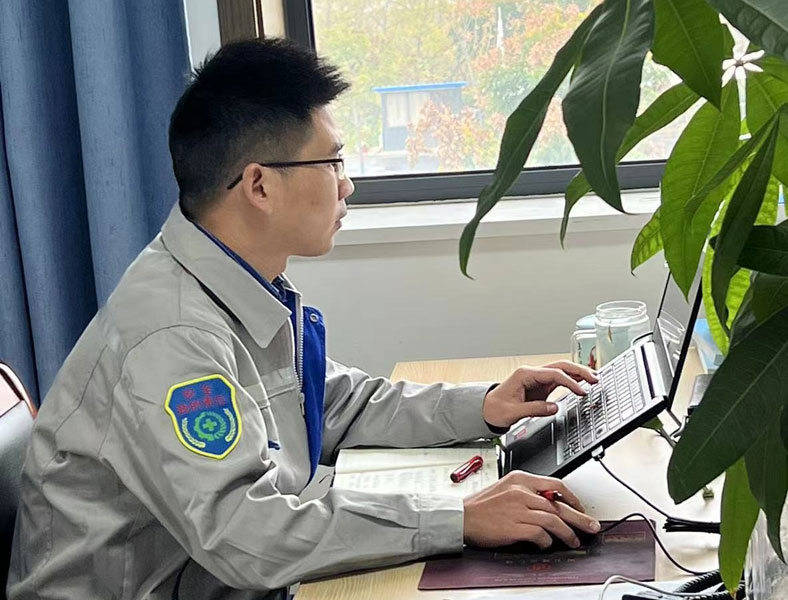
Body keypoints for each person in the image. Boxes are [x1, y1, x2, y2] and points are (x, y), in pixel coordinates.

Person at [8, 38, 601, 600]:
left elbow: (333, 404)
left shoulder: (233, 281)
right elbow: (245, 531)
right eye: (333, 162)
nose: (348, 185)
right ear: (259, 185)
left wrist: (485, 405)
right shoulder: (172, 336)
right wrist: (458, 518)